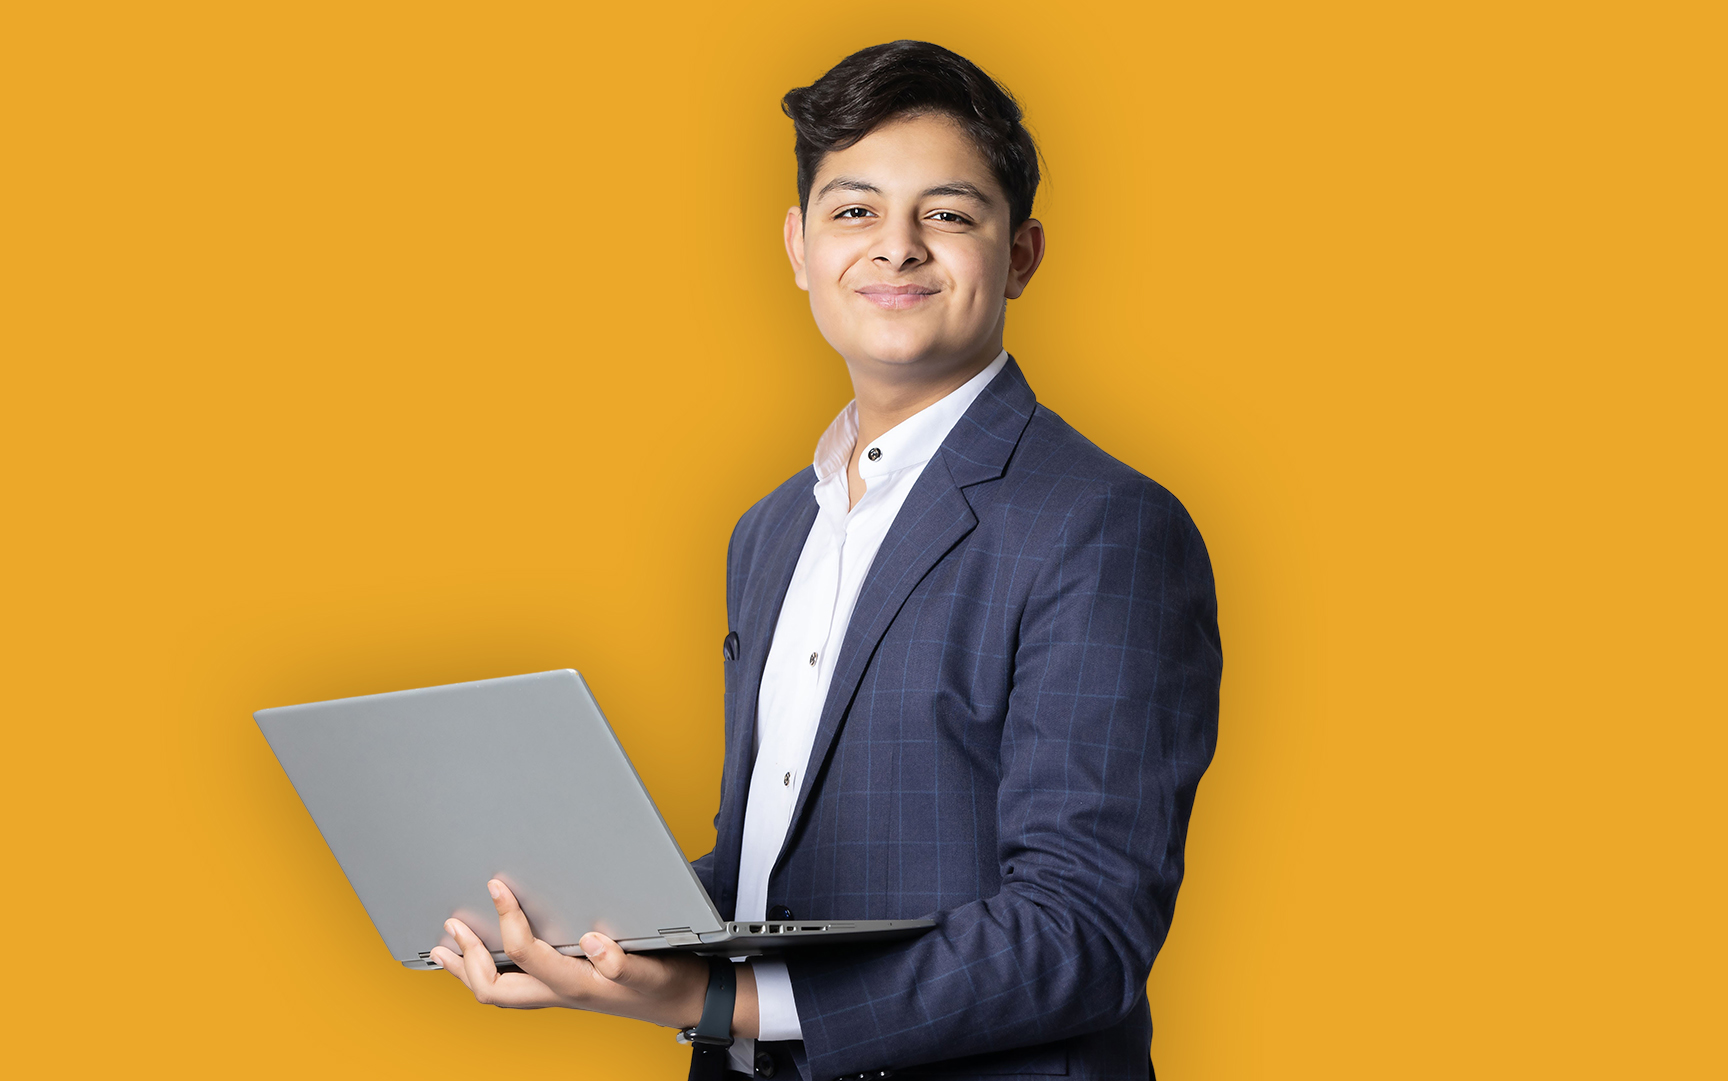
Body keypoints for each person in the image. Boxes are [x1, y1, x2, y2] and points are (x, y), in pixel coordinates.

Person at [432, 40, 1222, 1081]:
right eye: (855, 212)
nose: (895, 249)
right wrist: (576, 929)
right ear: (800, 247)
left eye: (947, 213)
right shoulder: (772, 531)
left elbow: (1081, 932)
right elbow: (775, 873)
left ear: (1021, 254)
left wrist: (722, 997)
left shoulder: (1107, 526)